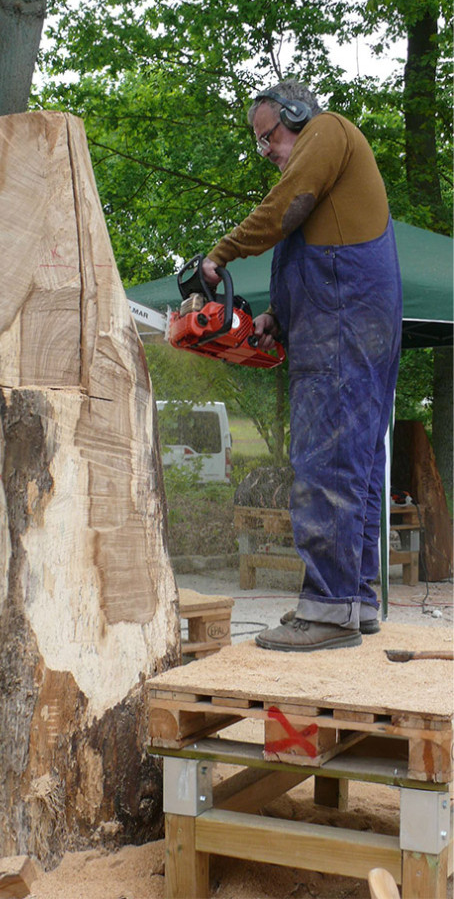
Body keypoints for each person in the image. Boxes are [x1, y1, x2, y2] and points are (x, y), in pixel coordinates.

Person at [200, 79, 402, 653]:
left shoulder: (327, 132)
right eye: (260, 144)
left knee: (326, 461)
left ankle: (328, 610)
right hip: (350, 323)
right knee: (358, 465)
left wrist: (222, 253)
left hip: (343, 327)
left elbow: (287, 208)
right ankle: (356, 601)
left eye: (270, 136)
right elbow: (311, 258)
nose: (267, 151)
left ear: (295, 113)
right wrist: (275, 320)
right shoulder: (321, 179)